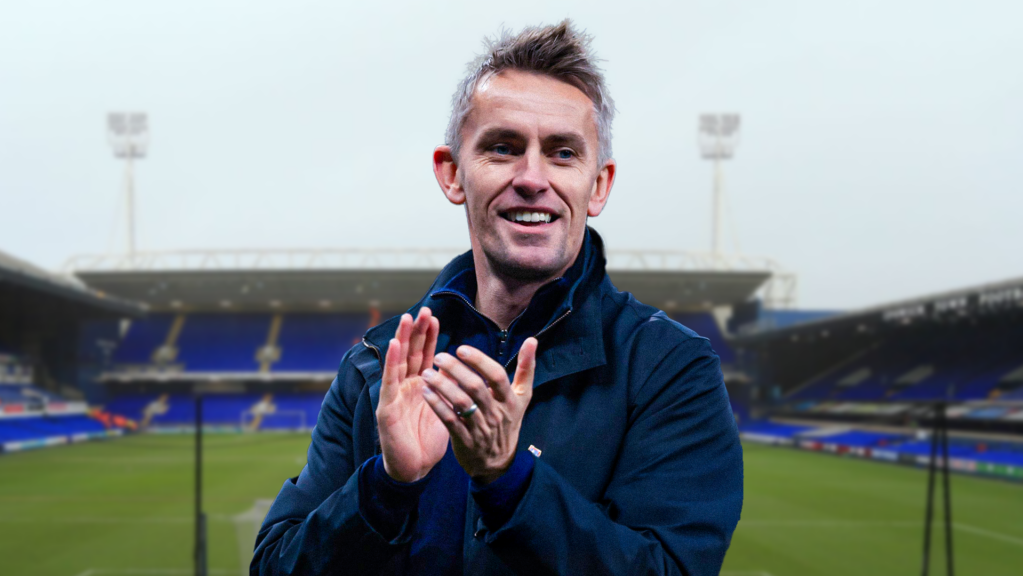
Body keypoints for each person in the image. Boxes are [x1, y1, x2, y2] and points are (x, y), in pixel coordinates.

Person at [252, 20, 742, 576]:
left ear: (599, 185)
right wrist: (386, 487)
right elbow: (274, 567)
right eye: (503, 149)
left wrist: (510, 482)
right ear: (452, 174)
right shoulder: (376, 365)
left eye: (562, 153)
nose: (532, 178)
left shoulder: (668, 368)